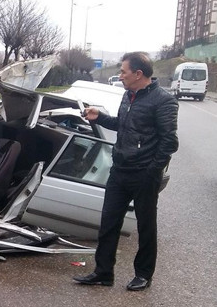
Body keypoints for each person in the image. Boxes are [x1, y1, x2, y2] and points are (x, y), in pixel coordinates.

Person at [73, 51, 179, 291]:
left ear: (138, 74)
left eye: (123, 71)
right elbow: (122, 126)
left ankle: (143, 275)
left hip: (144, 174)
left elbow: (169, 142)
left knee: (146, 227)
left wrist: (152, 171)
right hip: (120, 170)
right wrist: (99, 117)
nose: (120, 76)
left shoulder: (163, 101)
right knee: (108, 223)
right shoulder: (127, 95)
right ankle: (103, 273)